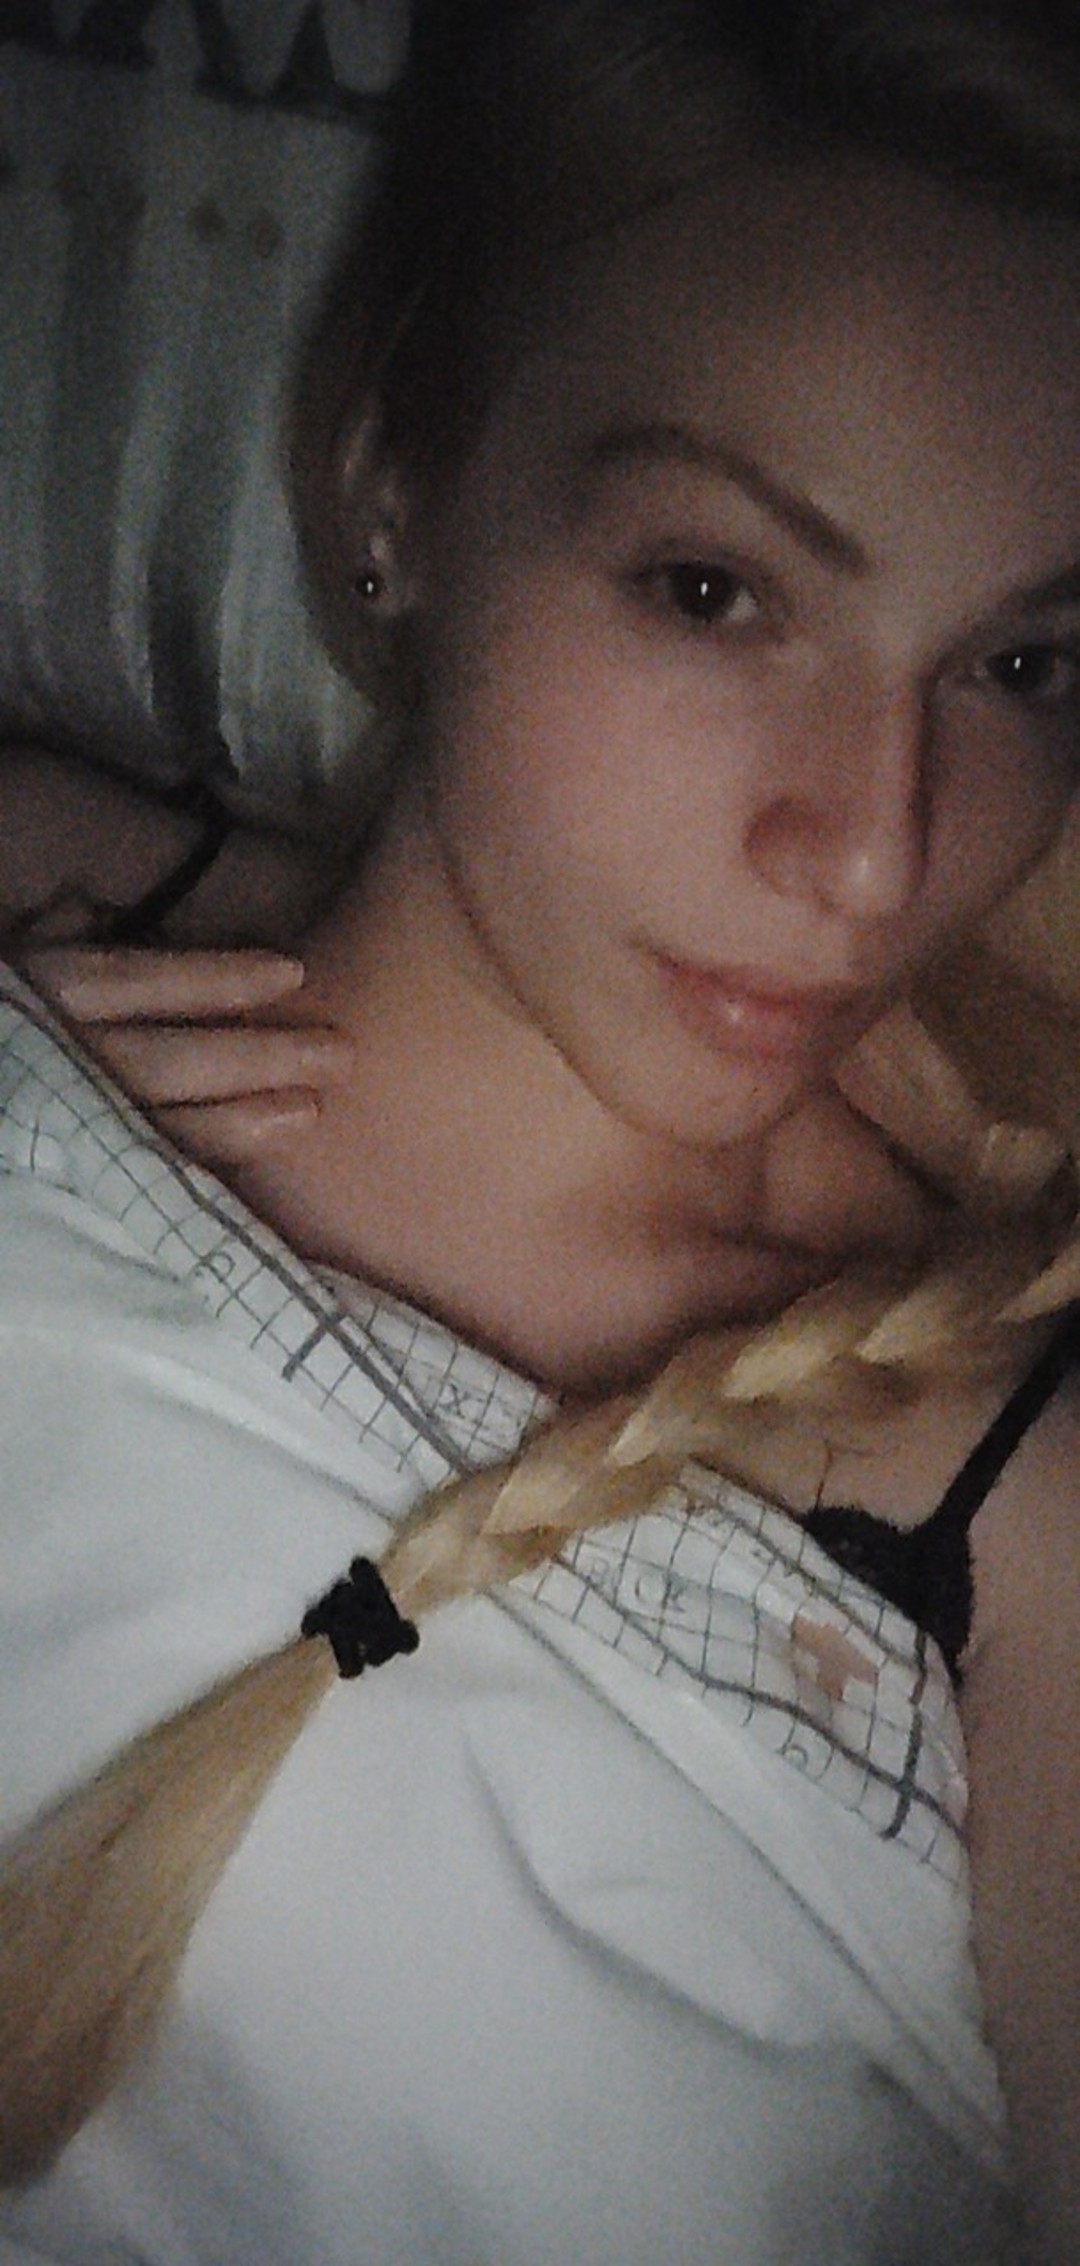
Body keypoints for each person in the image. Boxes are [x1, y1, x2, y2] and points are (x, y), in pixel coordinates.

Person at [2, 1, 1080, 2257]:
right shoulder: (65, 902)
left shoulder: (1018, 1511)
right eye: (715, 590)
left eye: (1021, 666)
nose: (874, 854)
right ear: (402, 473)